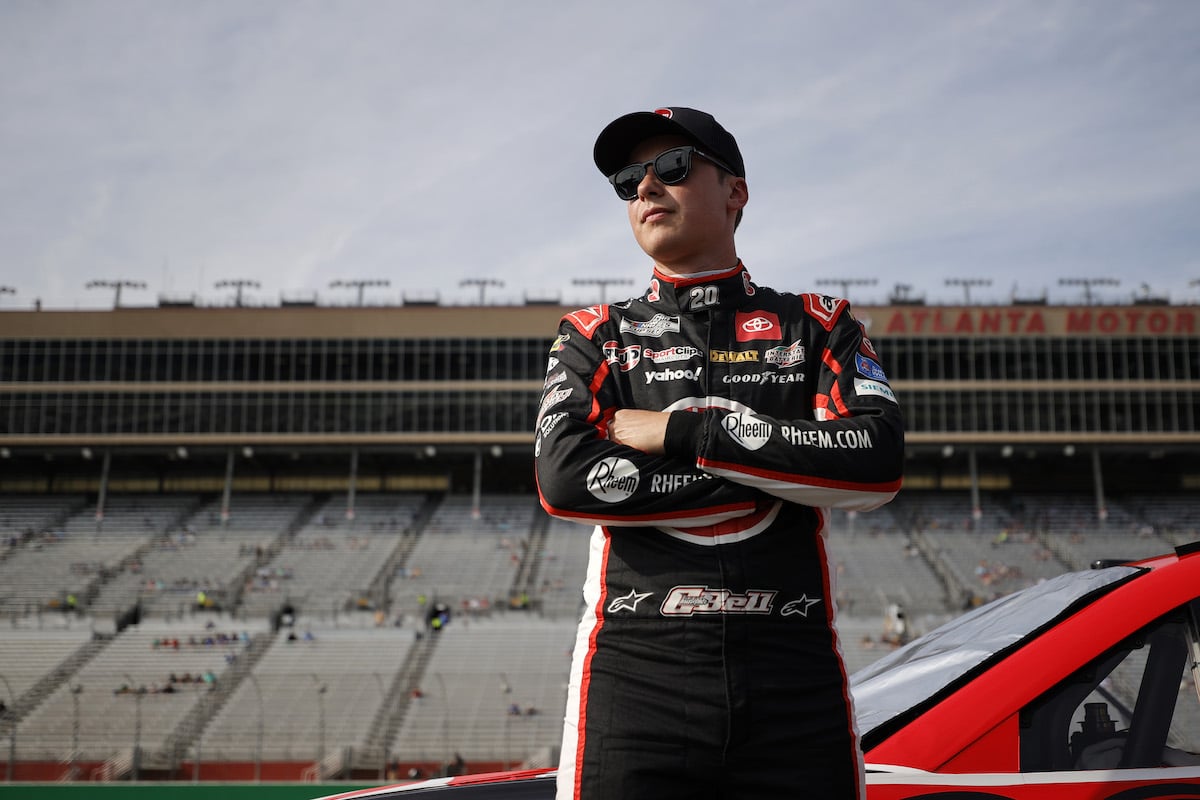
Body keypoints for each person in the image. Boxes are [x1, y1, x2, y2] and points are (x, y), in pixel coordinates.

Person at [535, 107, 905, 800]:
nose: (645, 188)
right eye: (627, 180)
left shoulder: (821, 325)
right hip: (634, 683)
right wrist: (782, 472)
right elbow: (566, 480)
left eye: (671, 167)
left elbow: (877, 461)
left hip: (795, 685)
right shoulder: (593, 335)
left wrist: (687, 434)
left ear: (735, 191)